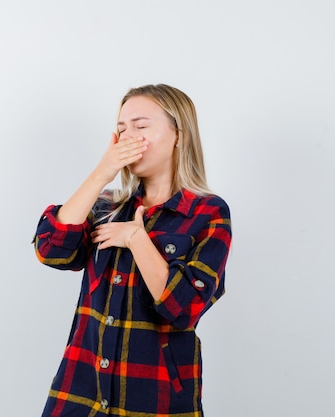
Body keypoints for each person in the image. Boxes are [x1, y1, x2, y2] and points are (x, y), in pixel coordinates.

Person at [33, 84, 232, 416]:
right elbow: (51, 249)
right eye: (122, 129)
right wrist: (101, 174)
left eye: (141, 127)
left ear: (179, 135)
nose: (128, 137)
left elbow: (182, 308)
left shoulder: (208, 213)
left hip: (155, 398)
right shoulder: (105, 205)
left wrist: (138, 240)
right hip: (80, 393)